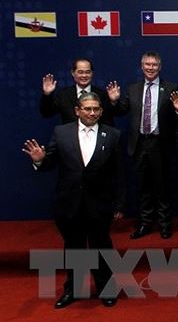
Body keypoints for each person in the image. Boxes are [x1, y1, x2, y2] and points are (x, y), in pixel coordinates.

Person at [23, 92, 125, 308]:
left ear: (101, 111)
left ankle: (106, 289)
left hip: (100, 203)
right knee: (74, 248)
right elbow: (50, 162)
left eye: (96, 109)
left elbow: (119, 173)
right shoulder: (61, 132)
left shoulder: (113, 134)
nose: (92, 113)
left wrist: (119, 203)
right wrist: (40, 160)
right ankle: (74, 289)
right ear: (77, 110)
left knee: (101, 246)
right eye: (87, 109)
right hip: (69, 202)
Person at [106, 51, 178, 239]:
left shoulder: (171, 88)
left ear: (160, 67)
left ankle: (164, 225)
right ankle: (145, 224)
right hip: (139, 144)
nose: (150, 68)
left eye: (154, 65)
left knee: (162, 187)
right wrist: (114, 101)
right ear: (142, 67)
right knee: (143, 187)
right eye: (147, 64)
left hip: (160, 143)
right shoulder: (133, 89)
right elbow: (121, 111)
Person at [40, 58, 114, 126]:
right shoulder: (63, 94)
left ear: (92, 73)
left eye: (87, 72)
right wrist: (47, 94)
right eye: (80, 72)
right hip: (70, 135)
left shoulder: (102, 94)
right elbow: (47, 113)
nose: (84, 75)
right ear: (73, 73)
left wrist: (114, 101)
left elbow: (110, 118)